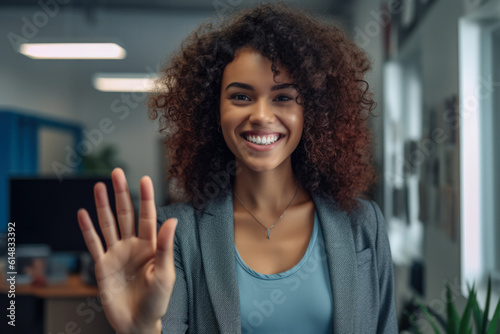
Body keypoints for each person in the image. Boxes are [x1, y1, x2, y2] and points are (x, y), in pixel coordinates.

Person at [77, 3, 398, 334]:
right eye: (241, 97)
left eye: (283, 97)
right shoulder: (178, 234)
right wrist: (142, 329)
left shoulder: (362, 224)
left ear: (313, 112)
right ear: (213, 111)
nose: (260, 114)